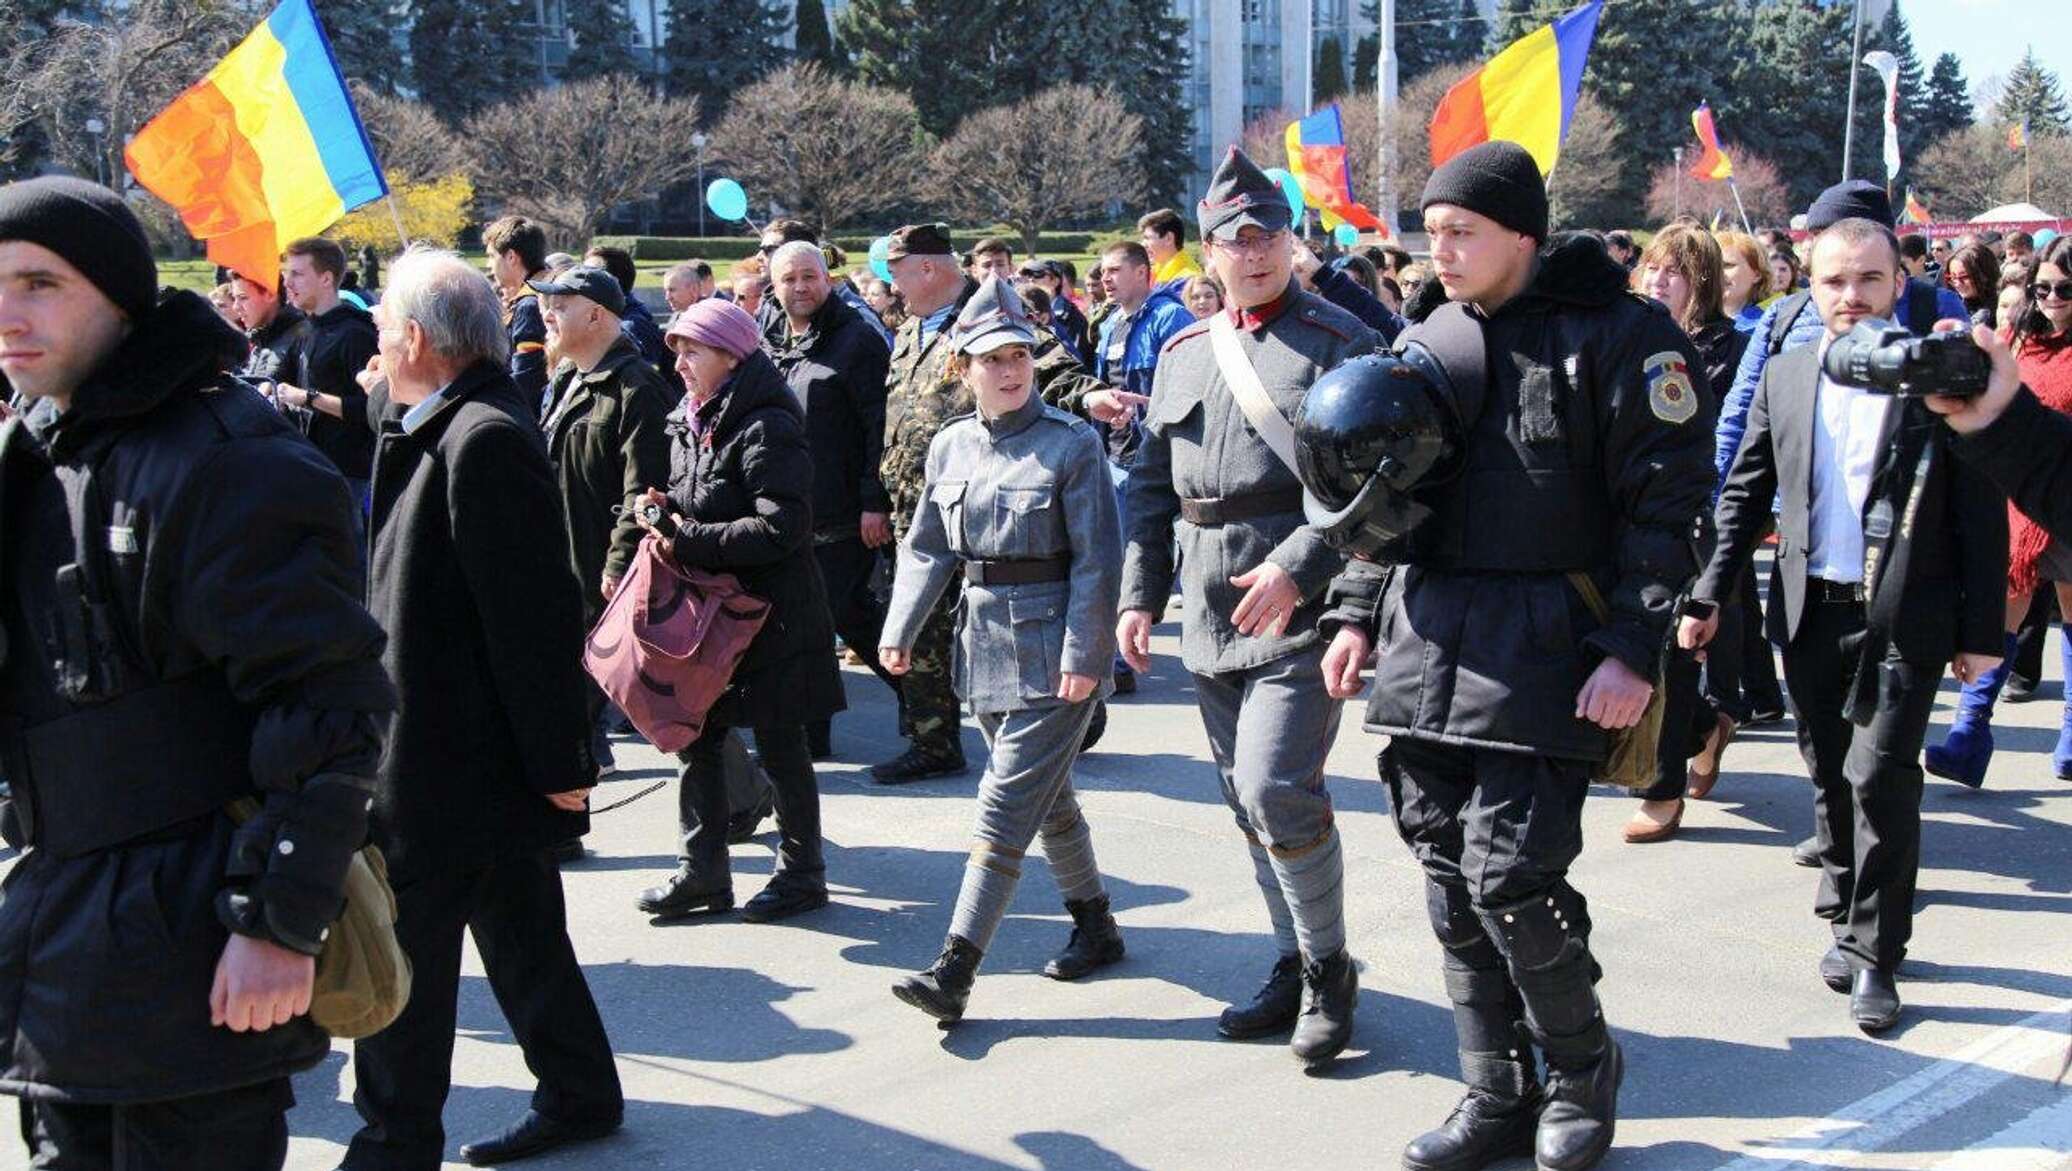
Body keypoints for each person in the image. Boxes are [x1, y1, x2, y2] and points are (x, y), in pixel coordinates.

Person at [1313, 143, 1712, 1171]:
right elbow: (1385, 491)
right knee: (1448, 878)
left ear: (1522, 237)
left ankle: (1581, 1073)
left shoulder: (1622, 336)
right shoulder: (1428, 330)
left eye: (1461, 233)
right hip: (1428, 632)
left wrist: (1632, 647)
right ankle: (1495, 1091)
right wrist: (1354, 610)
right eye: (1431, 233)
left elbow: (1666, 512)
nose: (1437, 251)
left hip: (1550, 643)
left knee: (1511, 877)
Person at [0, 174, 391, 1171]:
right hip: (64, 929)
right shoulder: (43, 445)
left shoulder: (226, 459)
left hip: (193, 939)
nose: (8, 313)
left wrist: (279, 923)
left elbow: (329, 704)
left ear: (121, 297)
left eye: (40, 282)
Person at [1681, 217, 2006, 1035]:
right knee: (1826, 764)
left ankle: (1875, 952)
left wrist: (1981, 632)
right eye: (1834, 280)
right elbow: (1745, 494)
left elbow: (1979, 509)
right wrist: (1710, 593)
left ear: (1898, 282)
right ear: (1809, 287)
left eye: (1868, 278)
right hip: (1809, 606)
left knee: (1881, 776)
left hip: (1906, 614)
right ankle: (1842, 887)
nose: (1851, 296)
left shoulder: (1935, 374)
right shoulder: (1788, 375)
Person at [345, 248, 623, 1169]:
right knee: (524, 935)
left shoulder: (484, 441)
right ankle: (581, 1091)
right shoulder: (436, 421)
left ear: (418, 337)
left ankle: (393, 1141)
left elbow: (536, 625)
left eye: (385, 328)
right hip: (456, 755)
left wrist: (563, 771)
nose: (376, 345)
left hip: (456, 764)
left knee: (407, 963)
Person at [1118, 147, 1380, 1069]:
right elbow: (1153, 489)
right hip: (1208, 616)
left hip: (1296, 614)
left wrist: (1304, 570)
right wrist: (1139, 597)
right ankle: (1293, 956)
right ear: (1210, 252)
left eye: (1269, 234)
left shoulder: (1343, 344)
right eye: (1236, 239)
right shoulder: (1186, 351)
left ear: (1291, 241)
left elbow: (1373, 491)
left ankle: (1329, 971)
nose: (1255, 251)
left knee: (1277, 788)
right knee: (1243, 801)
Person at [878, 278, 1126, 1023]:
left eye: (1019, 353)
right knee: (1047, 801)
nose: (1010, 369)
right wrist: (900, 627)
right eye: (992, 358)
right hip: (981, 647)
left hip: (1055, 653)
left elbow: (1098, 561)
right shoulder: (951, 446)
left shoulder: (1071, 443)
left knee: (1002, 805)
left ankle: (954, 967)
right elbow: (926, 548)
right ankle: (1097, 925)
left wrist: (1088, 653)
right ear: (965, 367)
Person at [632, 298, 844, 923]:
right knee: (697, 739)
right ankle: (702, 874)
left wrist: (686, 535)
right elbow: (695, 495)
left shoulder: (767, 422)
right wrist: (661, 510)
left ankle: (802, 875)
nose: (680, 362)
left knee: (782, 746)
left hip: (771, 616)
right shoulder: (691, 415)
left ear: (732, 356)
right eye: (676, 349)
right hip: (713, 615)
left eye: (692, 350)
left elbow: (782, 527)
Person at [1923, 236, 2072, 786]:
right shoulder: (2016, 341)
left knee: (2071, 611)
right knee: (2002, 611)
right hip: (2014, 498)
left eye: (2065, 288)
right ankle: (1969, 734)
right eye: (2043, 287)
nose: (2052, 298)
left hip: (2058, 497)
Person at [1624, 225, 1747, 844]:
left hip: (1696, 520)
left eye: (1674, 270)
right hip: (1626, 516)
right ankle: (1705, 726)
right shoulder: (1626, 334)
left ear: (1701, 283)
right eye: (1652, 267)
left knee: (1673, 653)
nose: (1658, 279)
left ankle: (1663, 789)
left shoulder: (1729, 347)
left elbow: (1726, 443)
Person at [531, 265, 677, 783]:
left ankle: (741, 788)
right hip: (569, 562)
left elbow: (647, 488)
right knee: (613, 694)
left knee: (641, 693)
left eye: (561, 304)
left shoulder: (638, 387)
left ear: (595, 314)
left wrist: (618, 562)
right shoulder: (572, 379)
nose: (548, 314)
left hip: (608, 570)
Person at [760, 240, 900, 760]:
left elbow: (879, 426)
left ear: (828, 278)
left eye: (809, 277)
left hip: (845, 513)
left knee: (850, 614)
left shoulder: (857, 341)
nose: (800, 288)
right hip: (792, 511)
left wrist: (874, 500)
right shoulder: (772, 338)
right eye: (789, 279)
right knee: (803, 626)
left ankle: (931, 708)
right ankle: (810, 735)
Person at [273, 236, 379, 520]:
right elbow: (278, 380)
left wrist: (307, 398)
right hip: (311, 466)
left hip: (349, 476)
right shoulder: (305, 330)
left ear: (326, 278)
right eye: (286, 274)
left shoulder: (355, 333)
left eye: (297, 274)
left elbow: (371, 409)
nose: (287, 283)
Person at [582, 244, 673, 376]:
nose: (579, 281)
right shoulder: (609, 318)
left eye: (587, 276)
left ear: (611, 284)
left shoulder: (631, 329)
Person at [233, 270, 308, 385]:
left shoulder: (303, 338)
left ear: (270, 295)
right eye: (234, 299)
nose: (236, 307)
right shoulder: (259, 337)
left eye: (243, 298)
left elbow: (312, 397)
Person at [1715, 230, 1775, 331]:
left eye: (1728, 265)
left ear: (1757, 274)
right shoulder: (1691, 322)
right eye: (1713, 265)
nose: (1717, 272)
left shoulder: (1771, 326)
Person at [1139, 207, 1202, 294]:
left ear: (1168, 238)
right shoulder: (1153, 273)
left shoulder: (1188, 280)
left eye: (1148, 238)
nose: (1143, 244)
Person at [1947, 242, 2001, 327]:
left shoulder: (2002, 309)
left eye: (1963, 276)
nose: (1958, 283)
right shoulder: (1952, 308)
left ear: (1984, 274)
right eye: (1953, 277)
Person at [662, 261, 703, 326]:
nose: (667, 298)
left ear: (694, 289)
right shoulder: (679, 314)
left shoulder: (707, 318)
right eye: (666, 291)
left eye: (672, 290)